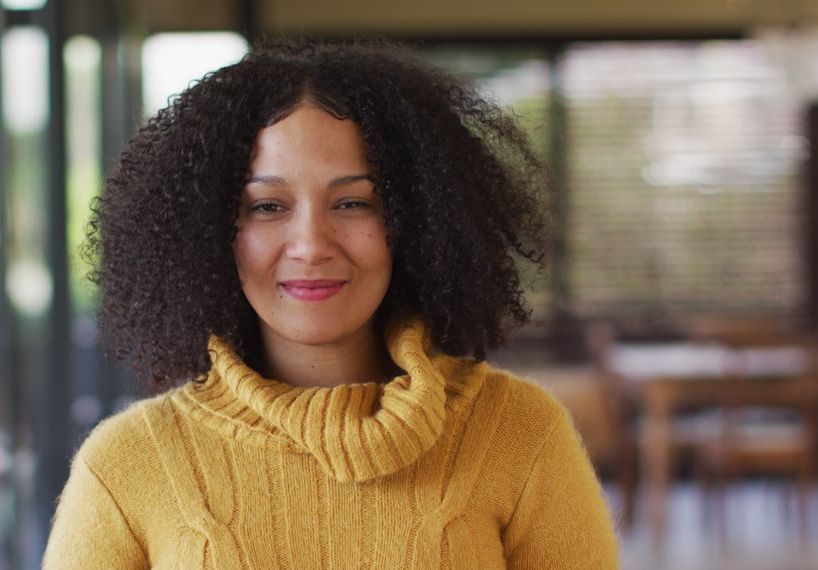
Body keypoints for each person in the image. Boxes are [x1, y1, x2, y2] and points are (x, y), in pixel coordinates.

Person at [43, 39, 618, 569]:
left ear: (416, 219)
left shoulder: (521, 434)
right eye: (267, 206)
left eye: (353, 203)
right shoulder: (127, 465)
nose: (312, 245)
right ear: (210, 230)